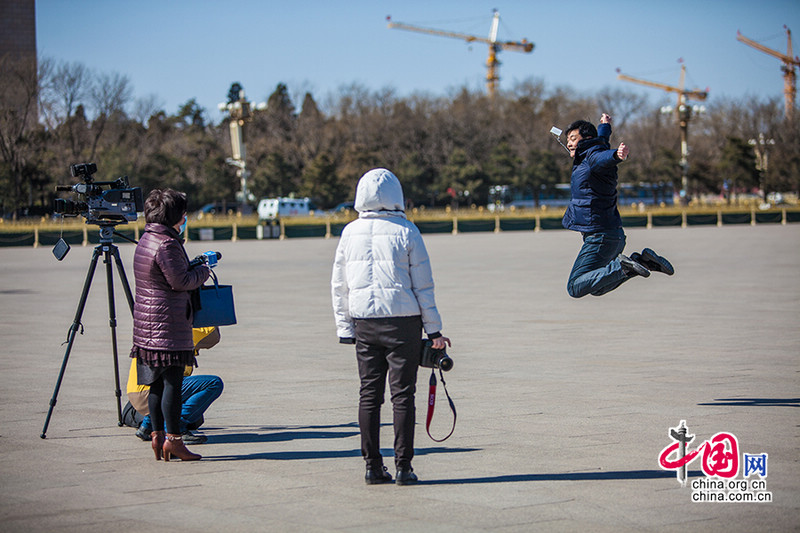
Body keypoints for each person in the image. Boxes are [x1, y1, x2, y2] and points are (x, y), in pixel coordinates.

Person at [332, 168, 451, 486]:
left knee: (369, 395)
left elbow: (339, 284)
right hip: (403, 324)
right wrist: (434, 331)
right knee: (403, 396)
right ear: (396, 195)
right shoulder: (407, 230)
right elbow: (423, 285)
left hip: (364, 323)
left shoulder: (349, 232)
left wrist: (345, 327)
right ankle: (403, 467)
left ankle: (372, 466)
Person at [130, 188, 211, 461]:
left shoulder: (147, 239)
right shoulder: (166, 243)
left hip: (147, 326)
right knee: (172, 385)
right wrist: (203, 270)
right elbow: (181, 281)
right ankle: (175, 441)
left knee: (155, 385)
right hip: (167, 326)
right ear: (176, 216)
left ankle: (158, 437)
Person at [562, 113, 674, 298]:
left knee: (575, 286)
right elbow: (602, 143)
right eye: (568, 140)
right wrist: (604, 126)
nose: (569, 143)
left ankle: (622, 265)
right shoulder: (591, 153)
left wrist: (616, 155)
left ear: (587, 139)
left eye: (573, 139)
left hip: (600, 237)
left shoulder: (592, 157)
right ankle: (643, 262)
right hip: (613, 235)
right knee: (596, 286)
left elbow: (604, 156)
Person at [123, 326, 224, 445]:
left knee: (166, 381)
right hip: (149, 393)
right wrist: (208, 312)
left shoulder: (153, 330)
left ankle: (148, 426)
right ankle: (178, 428)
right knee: (213, 383)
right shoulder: (180, 329)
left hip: (137, 393)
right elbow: (213, 336)